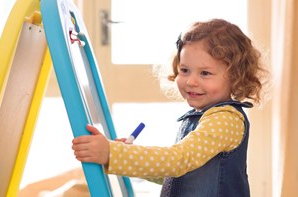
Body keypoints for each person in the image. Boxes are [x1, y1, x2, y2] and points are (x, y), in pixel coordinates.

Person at [72, 18, 268, 197]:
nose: (191, 81)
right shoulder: (203, 117)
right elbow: (177, 175)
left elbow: (176, 160)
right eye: (184, 70)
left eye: (205, 73)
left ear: (235, 76)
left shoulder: (226, 119)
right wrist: (122, 157)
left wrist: (113, 153)